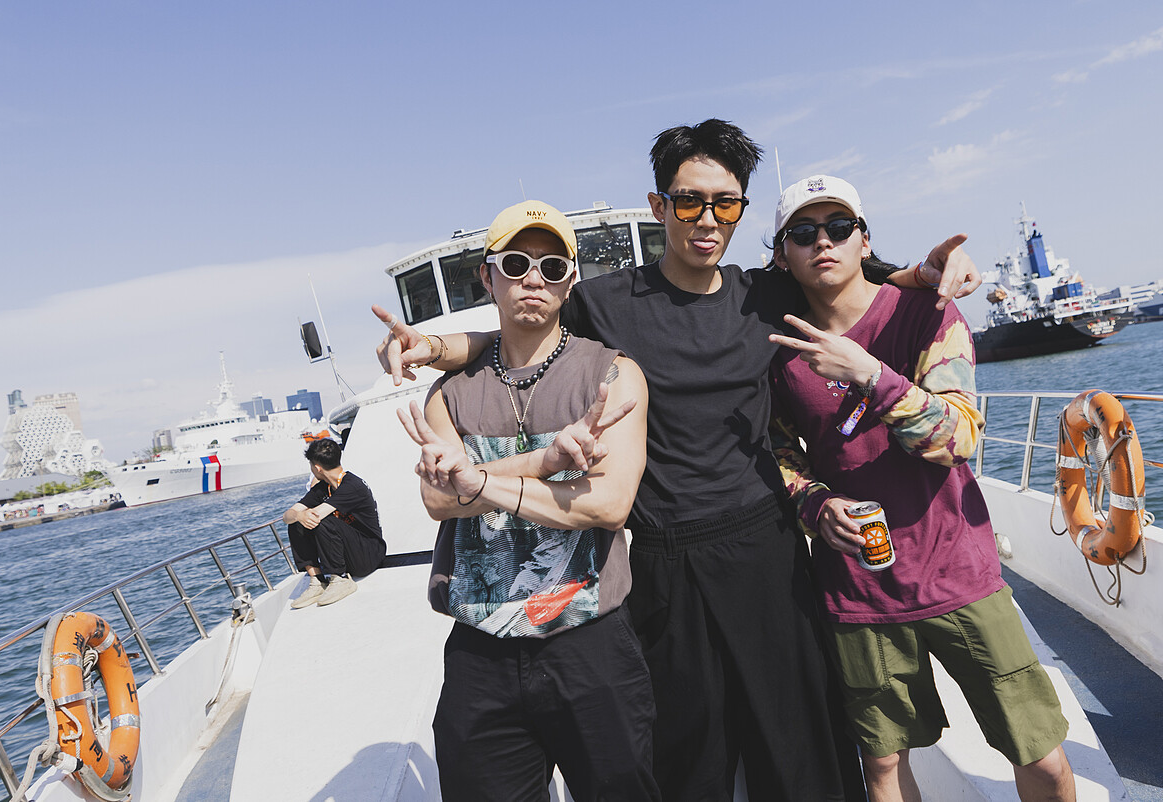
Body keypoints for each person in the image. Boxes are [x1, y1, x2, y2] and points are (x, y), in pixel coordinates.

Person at [374, 120, 982, 801]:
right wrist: (433, 349)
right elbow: (524, 325)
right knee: (688, 767)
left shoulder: (765, 295)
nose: (708, 220)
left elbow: (849, 282)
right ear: (659, 205)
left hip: (767, 552)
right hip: (665, 563)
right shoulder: (607, 302)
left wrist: (927, 274)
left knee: (801, 759)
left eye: (727, 204)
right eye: (689, 202)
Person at [767, 174, 1075, 802]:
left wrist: (871, 374)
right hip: (859, 592)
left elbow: (958, 437)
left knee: (1040, 756)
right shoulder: (778, 349)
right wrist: (814, 504)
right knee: (883, 767)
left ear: (864, 240)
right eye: (803, 232)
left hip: (958, 573)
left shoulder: (926, 314)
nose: (822, 241)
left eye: (839, 227)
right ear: (782, 256)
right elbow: (775, 452)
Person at [396, 200, 657, 800]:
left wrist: (476, 482)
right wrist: (544, 464)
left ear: (570, 280)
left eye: (552, 266)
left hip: (591, 641)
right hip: (480, 649)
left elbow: (607, 505)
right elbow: (437, 500)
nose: (533, 278)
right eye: (515, 264)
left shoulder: (613, 376)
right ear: (487, 277)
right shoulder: (450, 393)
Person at [283, 438, 386, 608]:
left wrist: (302, 515)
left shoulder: (352, 486)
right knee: (297, 522)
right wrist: (298, 516)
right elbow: (287, 515)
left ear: (317, 468)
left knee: (321, 520)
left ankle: (341, 579)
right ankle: (317, 581)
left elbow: (317, 515)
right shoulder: (324, 488)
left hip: (369, 554)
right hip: (348, 553)